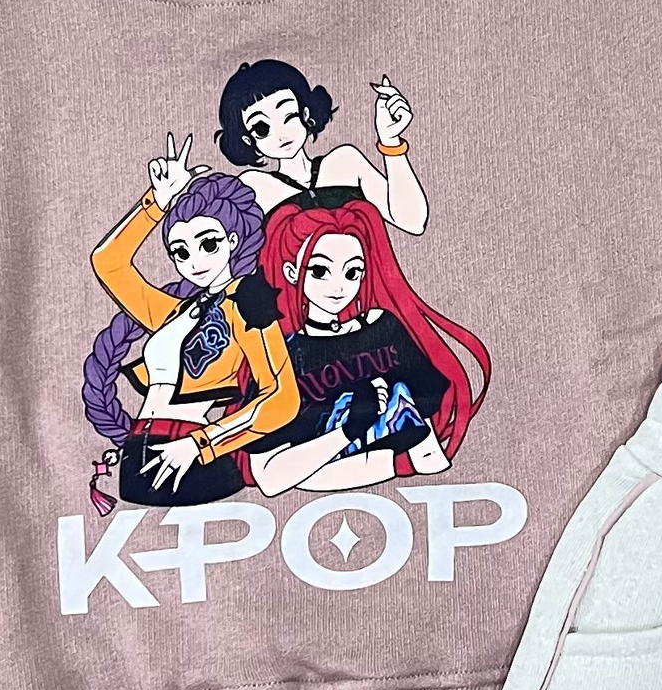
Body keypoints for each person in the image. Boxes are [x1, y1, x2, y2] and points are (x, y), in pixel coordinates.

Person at [82, 138, 299, 506]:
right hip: (137, 456)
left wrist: (202, 444)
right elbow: (108, 264)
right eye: (180, 252)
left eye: (208, 244)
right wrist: (156, 202)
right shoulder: (176, 311)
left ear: (234, 240)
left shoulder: (247, 302)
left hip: (192, 458)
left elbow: (282, 398)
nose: (194, 261)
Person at [244, 198, 489, 497]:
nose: (338, 287)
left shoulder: (381, 328)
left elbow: (429, 453)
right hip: (337, 487)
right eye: (320, 271)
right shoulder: (279, 355)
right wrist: (350, 431)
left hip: (412, 487)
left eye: (352, 273)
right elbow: (270, 479)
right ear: (292, 272)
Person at [215, 58, 429, 232]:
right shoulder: (254, 187)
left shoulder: (345, 162)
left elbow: (413, 222)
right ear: (247, 139)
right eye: (262, 128)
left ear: (305, 113)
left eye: (288, 115)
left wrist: (390, 141)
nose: (281, 134)